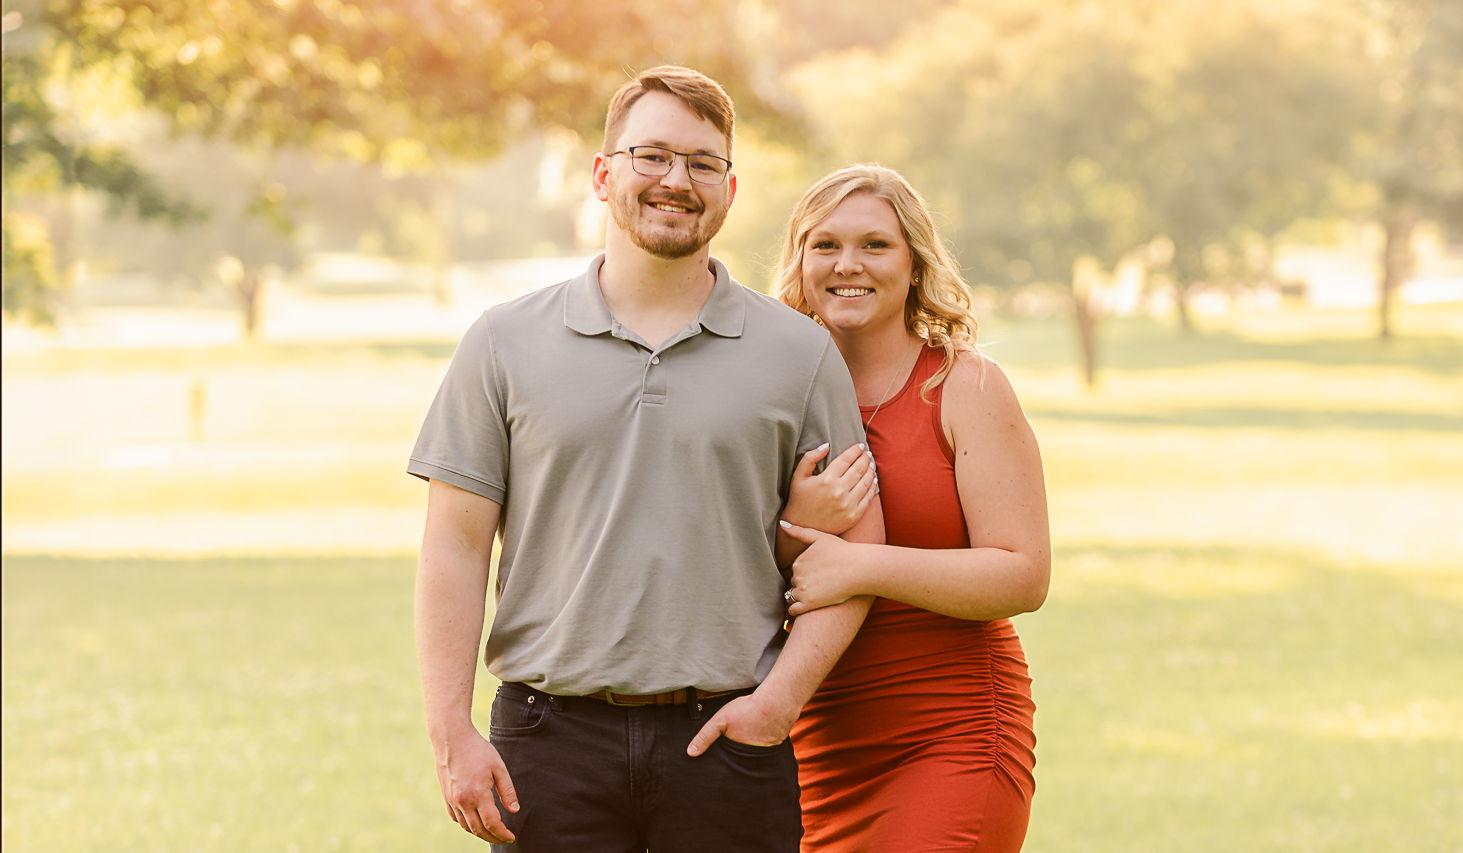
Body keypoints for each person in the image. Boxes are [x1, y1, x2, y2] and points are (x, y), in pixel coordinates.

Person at [407, 67, 883, 852]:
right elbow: (454, 546)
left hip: (729, 743)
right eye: (652, 155)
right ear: (603, 175)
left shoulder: (799, 354)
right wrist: (449, 730)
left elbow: (856, 556)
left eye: (702, 162)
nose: (676, 180)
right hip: (547, 743)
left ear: (730, 189)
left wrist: (778, 704)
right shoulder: (502, 342)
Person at [773, 165, 1051, 852]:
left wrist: (862, 565)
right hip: (812, 740)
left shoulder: (965, 386)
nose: (848, 264)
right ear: (800, 262)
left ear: (914, 263)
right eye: (825, 245)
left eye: (875, 244)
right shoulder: (769, 396)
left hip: (952, 734)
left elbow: (1022, 575)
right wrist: (795, 527)